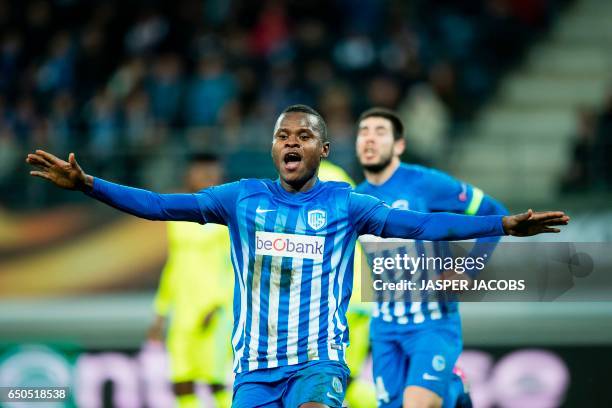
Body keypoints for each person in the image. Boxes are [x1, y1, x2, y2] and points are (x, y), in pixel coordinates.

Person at [26, 104, 568, 408]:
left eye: (303, 135)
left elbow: (423, 224)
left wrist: (500, 225)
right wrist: (89, 184)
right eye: (282, 135)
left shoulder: (347, 204)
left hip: (318, 364)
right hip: (255, 372)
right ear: (272, 148)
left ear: (322, 150)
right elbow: (158, 206)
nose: (291, 142)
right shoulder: (239, 199)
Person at [354, 107, 508, 408]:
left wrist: (468, 270)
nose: (369, 139)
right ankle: (452, 390)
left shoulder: (426, 183)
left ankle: (451, 392)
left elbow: (496, 213)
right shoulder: (355, 199)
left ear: (399, 145)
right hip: (384, 328)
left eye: (380, 132)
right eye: (363, 132)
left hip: (432, 322)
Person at [147, 153, 233, 408]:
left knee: (215, 381)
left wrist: (220, 304)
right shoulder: (177, 216)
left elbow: (237, 268)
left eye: (212, 172)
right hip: (182, 314)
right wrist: (161, 311)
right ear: (189, 174)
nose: (207, 177)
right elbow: (174, 265)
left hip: (215, 312)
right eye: (201, 171)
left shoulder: (228, 216)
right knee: (181, 381)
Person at [318, 160, 376, 408]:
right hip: (358, 297)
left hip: (336, 298)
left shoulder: (317, 179)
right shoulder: (339, 177)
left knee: (323, 379)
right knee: (345, 380)